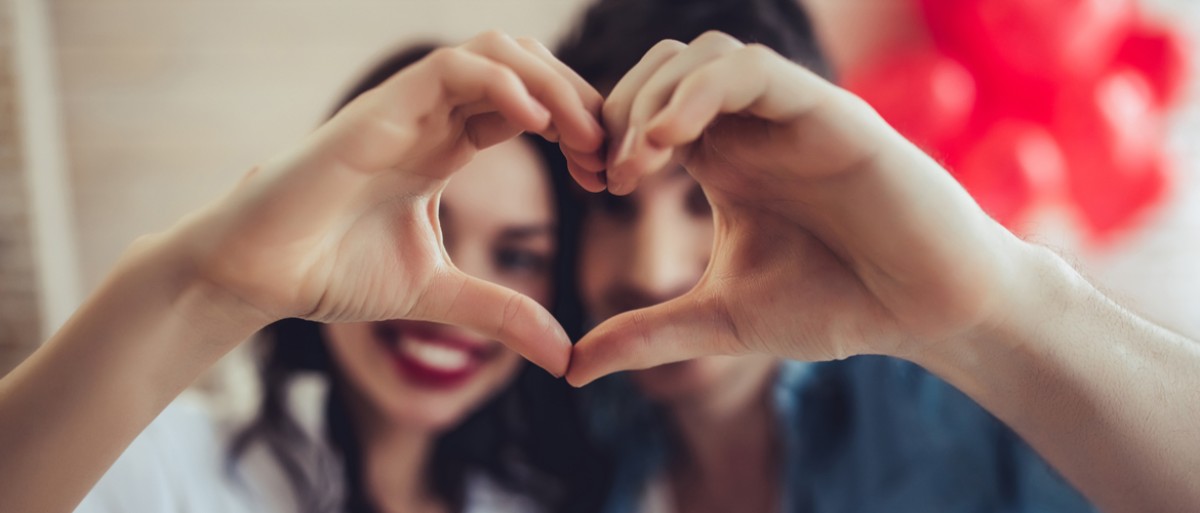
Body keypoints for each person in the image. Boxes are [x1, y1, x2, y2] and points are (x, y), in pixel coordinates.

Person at [554, 1, 1200, 513]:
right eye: (614, 207)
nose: (652, 269)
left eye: (705, 201)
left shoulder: (968, 417)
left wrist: (1005, 302)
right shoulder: (563, 446)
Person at [0, 31, 606, 513]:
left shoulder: (544, 499)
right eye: (429, 231)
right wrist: (207, 290)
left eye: (520, 257)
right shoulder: (154, 465)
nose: (453, 297)